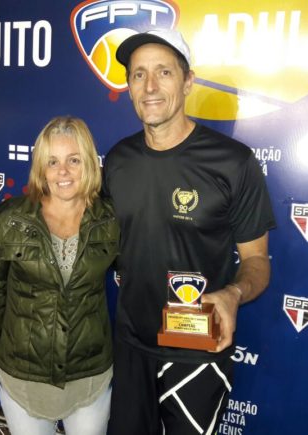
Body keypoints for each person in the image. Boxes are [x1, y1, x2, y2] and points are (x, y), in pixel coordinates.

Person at [103, 29, 276, 435]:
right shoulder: (118, 159)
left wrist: (233, 294)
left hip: (197, 350)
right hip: (131, 346)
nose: (150, 86)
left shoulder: (233, 162)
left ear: (188, 82)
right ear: (129, 87)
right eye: (138, 74)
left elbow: (256, 261)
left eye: (164, 72)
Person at [0, 116, 119, 435]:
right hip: (22, 377)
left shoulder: (111, 220)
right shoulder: (7, 219)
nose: (62, 171)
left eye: (73, 160)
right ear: (41, 167)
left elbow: (142, 274)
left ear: (89, 163)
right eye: (53, 161)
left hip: (89, 376)